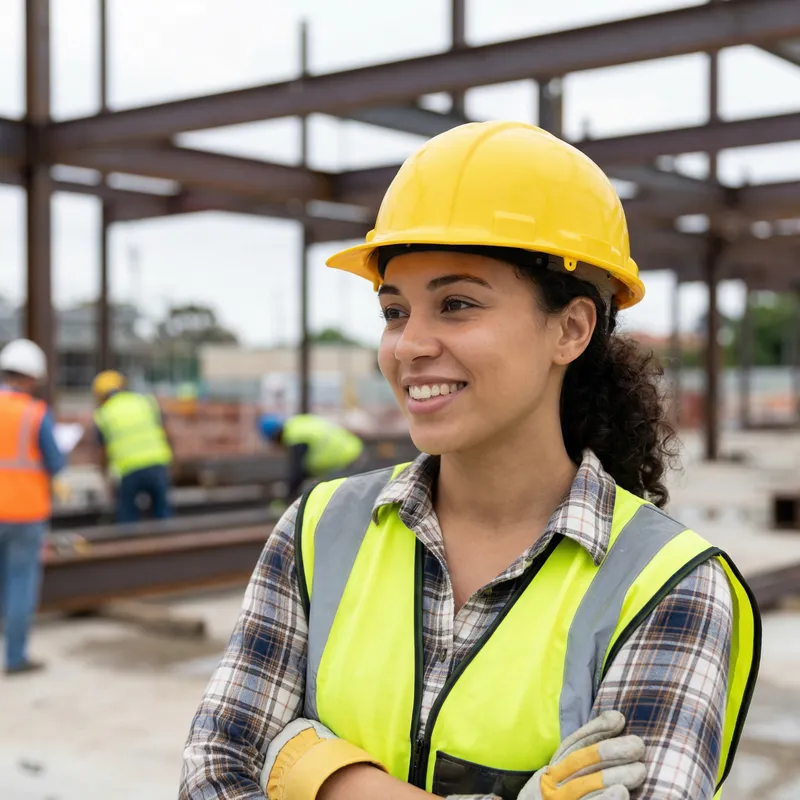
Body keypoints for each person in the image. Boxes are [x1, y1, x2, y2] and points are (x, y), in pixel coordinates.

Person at [180, 122, 760, 800]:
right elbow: (212, 772)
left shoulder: (671, 587)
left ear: (570, 329)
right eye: (394, 312)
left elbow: (249, 763)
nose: (409, 346)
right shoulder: (318, 532)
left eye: (456, 305)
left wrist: (314, 770)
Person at [0, 338, 66, 675]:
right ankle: (14, 657)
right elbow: (55, 463)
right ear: (31, 377)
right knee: (20, 583)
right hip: (24, 512)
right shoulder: (36, 414)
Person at [92, 370, 173, 524]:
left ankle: (129, 545)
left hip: (128, 470)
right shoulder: (145, 402)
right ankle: (168, 544)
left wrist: (105, 476)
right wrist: (173, 462)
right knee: (162, 514)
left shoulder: (103, 414)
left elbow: (102, 453)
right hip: (157, 464)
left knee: (127, 518)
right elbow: (167, 433)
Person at [258, 413, 366, 503]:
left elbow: (297, 471)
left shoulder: (295, 437)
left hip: (349, 459)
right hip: (352, 451)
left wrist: (286, 499)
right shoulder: (296, 424)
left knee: (331, 498)